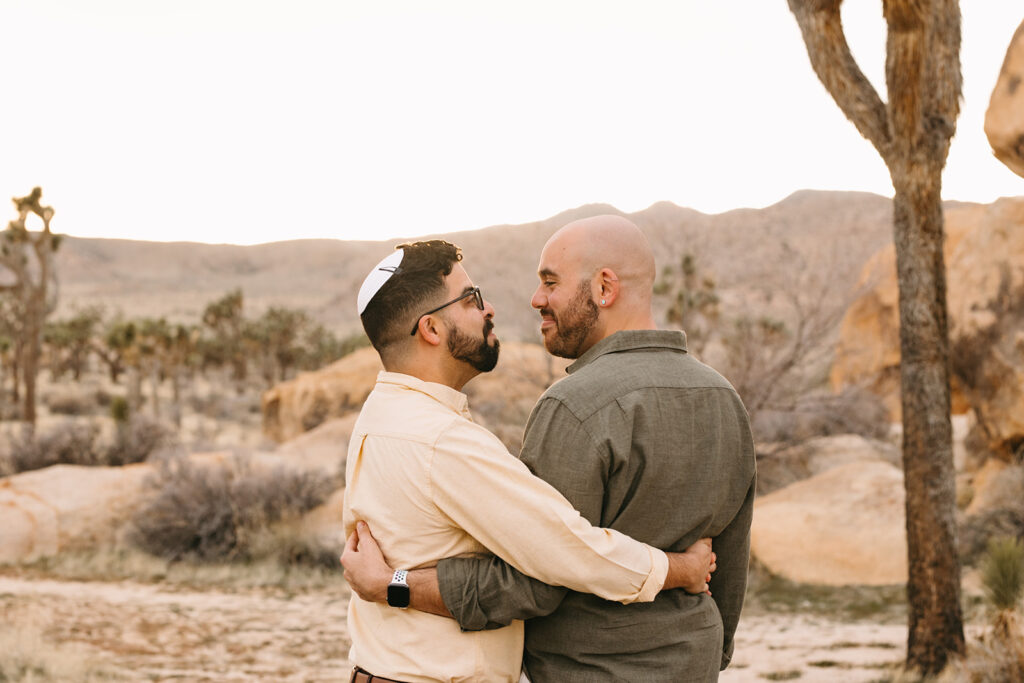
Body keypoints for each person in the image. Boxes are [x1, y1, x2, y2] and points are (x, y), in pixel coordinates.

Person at [344, 217, 756, 682]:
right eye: (473, 299)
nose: (530, 300)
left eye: (550, 282)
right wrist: (687, 589)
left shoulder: (386, 417)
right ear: (432, 330)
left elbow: (531, 584)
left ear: (604, 287)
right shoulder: (724, 396)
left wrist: (391, 585)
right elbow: (729, 559)